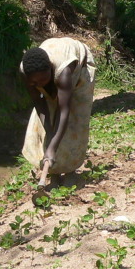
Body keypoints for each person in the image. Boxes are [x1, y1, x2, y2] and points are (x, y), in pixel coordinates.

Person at [20, 38, 97, 187]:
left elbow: (65, 111)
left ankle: (70, 171)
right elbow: (39, 103)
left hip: (80, 69)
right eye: (34, 83)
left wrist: (53, 146)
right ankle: (54, 172)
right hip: (54, 67)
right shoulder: (26, 72)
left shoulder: (64, 73)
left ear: (50, 68)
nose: (39, 85)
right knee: (47, 128)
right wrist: (49, 132)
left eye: (43, 79)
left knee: (75, 120)